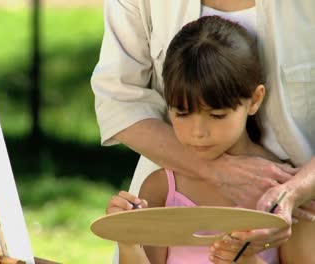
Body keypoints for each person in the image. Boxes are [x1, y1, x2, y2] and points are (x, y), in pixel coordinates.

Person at [91, 0, 315, 237]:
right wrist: (217, 171)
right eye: (183, 112)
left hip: (301, 206)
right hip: (174, 192)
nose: (198, 131)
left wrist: (294, 191)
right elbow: (119, 99)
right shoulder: (158, 190)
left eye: (217, 114)